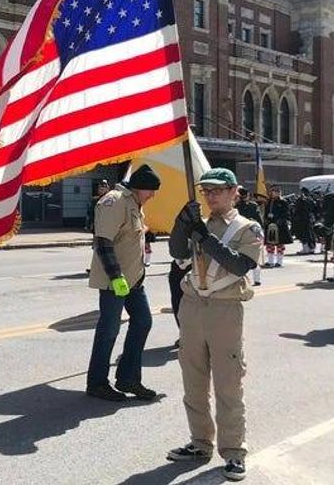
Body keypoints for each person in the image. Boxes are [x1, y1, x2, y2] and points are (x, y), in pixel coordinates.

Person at [167, 168, 262, 482]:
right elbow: (178, 254)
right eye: (206, 191)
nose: (210, 196)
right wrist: (182, 225)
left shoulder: (247, 227)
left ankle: (233, 451)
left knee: (228, 383)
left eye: (218, 190)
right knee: (193, 381)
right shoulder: (200, 223)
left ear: (234, 192)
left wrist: (205, 238)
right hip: (193, 306)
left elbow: (239, 264)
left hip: (224, 309)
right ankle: (199, 443)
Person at [86, 164, 161, 402]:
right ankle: (97, 383)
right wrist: (116, 276)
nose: (153, 195)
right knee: (109, 330)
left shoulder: (134, 203)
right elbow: (103, 242)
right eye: (151, 190)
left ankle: (128, 378)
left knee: (143, 322)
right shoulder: (115, 201)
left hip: (134, 280)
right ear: (139, 187)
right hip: (115, 280)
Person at [236, 187, 264, 286]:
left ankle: (243, 279)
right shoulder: (252, 205)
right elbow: (258, 219)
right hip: (250, 231)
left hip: (242, 231)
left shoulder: (235, 206)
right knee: (254, 256)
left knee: (240, 256)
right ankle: (257, 279)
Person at [262, 185, 292, 268]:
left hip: (280, 226)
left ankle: (279, 262)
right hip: (269, 225)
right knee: (269, 245)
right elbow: (266, 213)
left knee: (280, 245)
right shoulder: (268, 202)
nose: (275, 193)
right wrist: (266, 220)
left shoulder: (283, 202)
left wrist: (279, 221)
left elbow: (286, 214)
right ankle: (270, 261)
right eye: (273, 191)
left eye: (277, 191)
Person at [291, 187, 317, 255]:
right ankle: (311, 248)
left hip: (301, 219)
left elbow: (297, 209)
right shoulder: (311, 199)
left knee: (303, 234)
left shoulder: (301, 199)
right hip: (309, 218)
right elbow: (314, 208)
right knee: (310, 234)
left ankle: (306, 249)